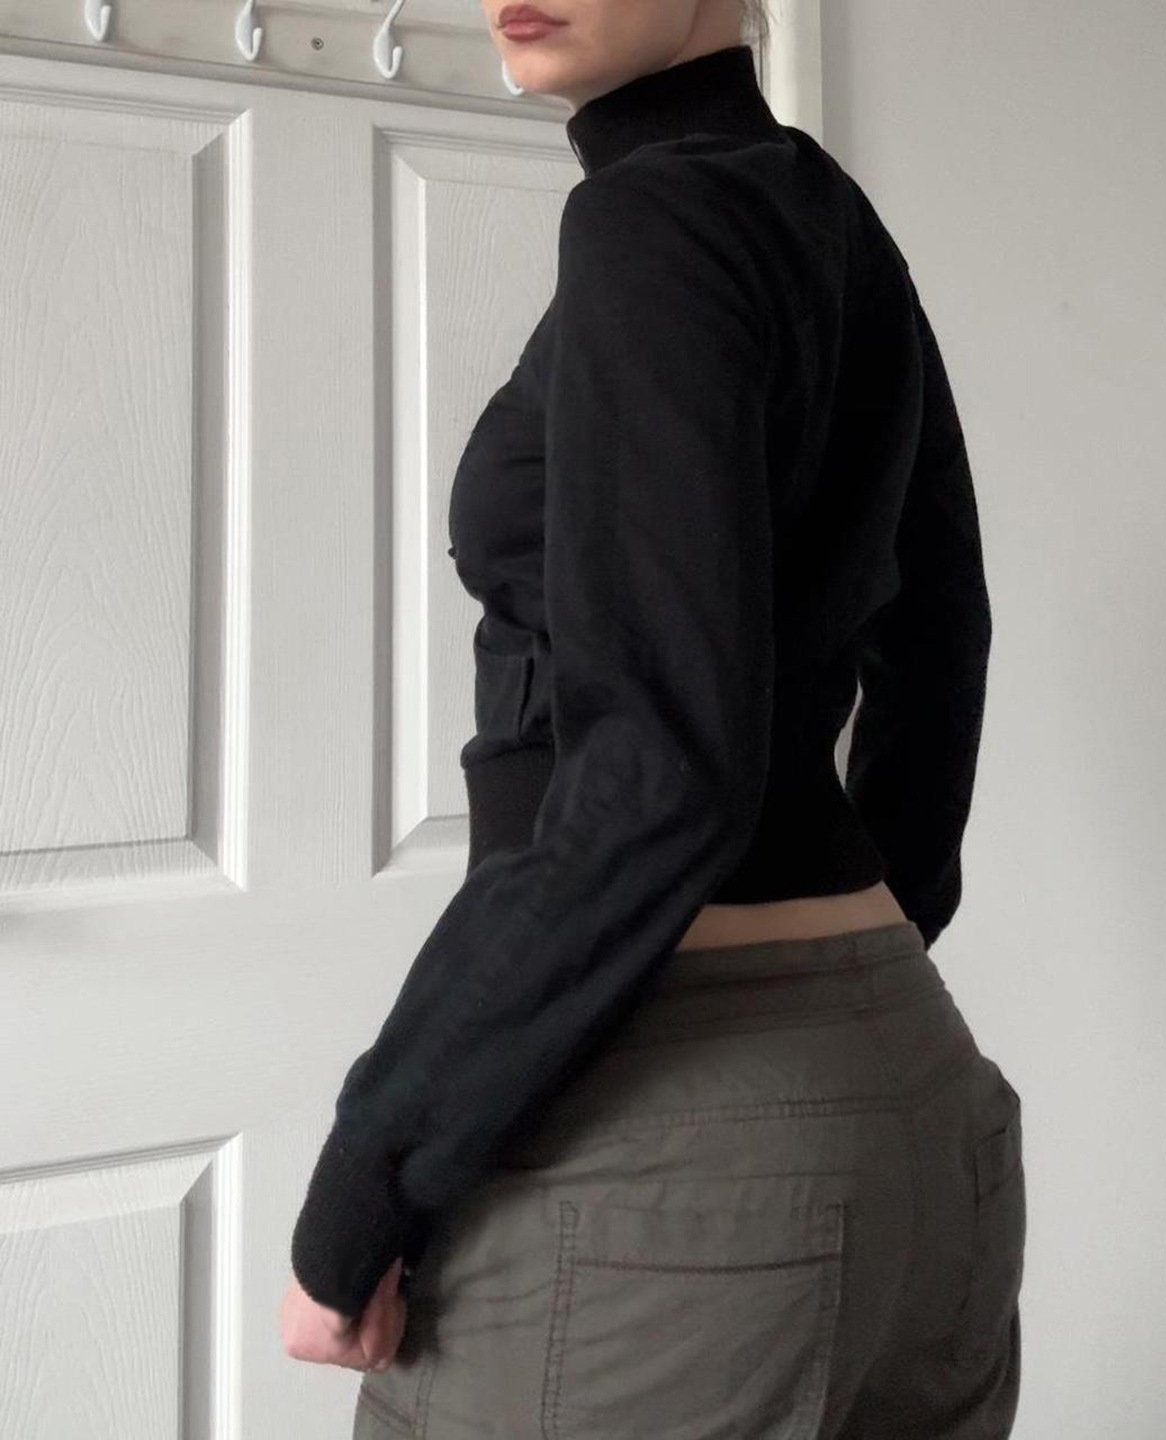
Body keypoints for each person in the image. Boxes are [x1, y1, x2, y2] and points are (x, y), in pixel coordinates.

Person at [281, 2, 1025, 1435]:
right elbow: (939, 640)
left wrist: (367, 1180)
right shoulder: (828, 215)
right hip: (913, 1090)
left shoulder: (650, 217)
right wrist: (863, 974)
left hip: (677, 1142)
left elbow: (661, 772)